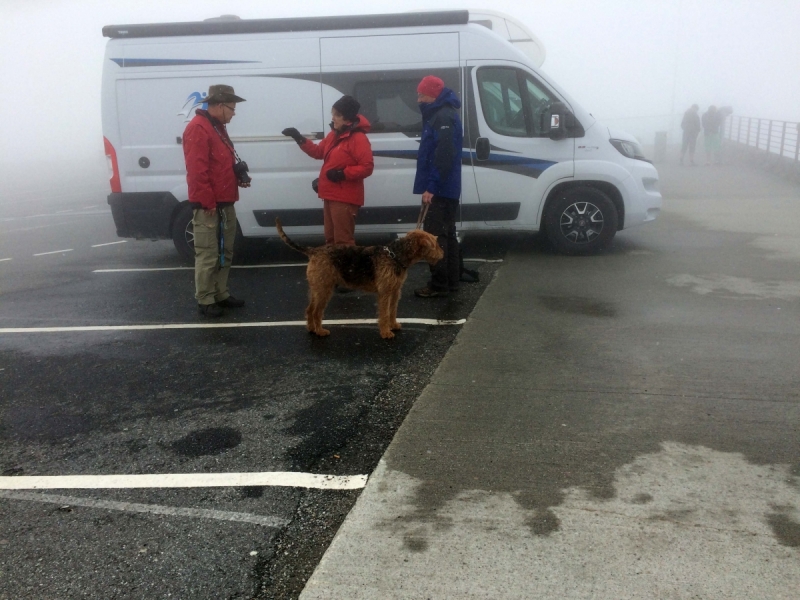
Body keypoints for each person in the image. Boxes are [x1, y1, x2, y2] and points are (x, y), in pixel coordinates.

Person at [183, 84, 250, 318]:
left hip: (225, 201)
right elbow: (197, 171)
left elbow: (218, 164)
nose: (234, 112)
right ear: (219, 106)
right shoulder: (198, 128)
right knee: (208, 253)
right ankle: (205, 299)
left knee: (225, 251)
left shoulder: (217, 127)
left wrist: (237, 175)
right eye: (232, 108)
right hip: (210, 206)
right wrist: (207, 202)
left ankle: (220, 293)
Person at [282, 96, 373, 247]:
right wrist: (299, 138)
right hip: (330, 195)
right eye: (333, 114)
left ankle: (346, 271)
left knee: (343, 242)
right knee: (330, 241)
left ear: (347, 118)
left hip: (345, 198)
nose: (333, 118)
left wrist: (342, 174)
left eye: (337, 115)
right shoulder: (334, 135)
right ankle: (332, 271)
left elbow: (367, 167)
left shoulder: (358, 138)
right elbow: (318, 152)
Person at [412, 75, 467, 298]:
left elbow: (443, 156)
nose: (418, 99)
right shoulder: (443, 114)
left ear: (432, 95)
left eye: (421, 94)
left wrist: (431, 186)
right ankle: (451, 282)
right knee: (447, 235)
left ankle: (440, 284)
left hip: (441, 189)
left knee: (435, 237)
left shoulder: (442, 117)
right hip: (447, 188)